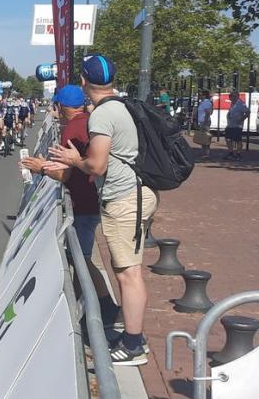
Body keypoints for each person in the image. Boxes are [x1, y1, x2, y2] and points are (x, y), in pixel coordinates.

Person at [46, 54, 157, 366]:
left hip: (124, 197)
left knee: (128, 273)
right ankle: (129, 333)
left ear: (84, 81)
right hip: (135, 193)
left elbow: (96, 164)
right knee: (127, 271)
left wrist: (72, 161)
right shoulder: (122, 106)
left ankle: (133, 344)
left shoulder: (103, 115)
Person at [21, 85, 115, 324]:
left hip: (85, 202)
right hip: (95, 197)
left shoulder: (71, 130)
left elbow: (65, 175)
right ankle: (84, 312)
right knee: (78, 258)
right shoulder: (90, 120)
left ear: (61, 107)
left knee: (81, 261)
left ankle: (105, 308)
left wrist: (40, 168)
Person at [224, 92, 249, 161]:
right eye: (230, 97)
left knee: (238, 140)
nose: (231, 98)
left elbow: (247, 112)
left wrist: (241, 118)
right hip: (230, 124)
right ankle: (231, 153)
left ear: (236, 96)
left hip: (237, 125)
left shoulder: (241, 104)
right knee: (228, 138)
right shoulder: (232, 103)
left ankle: (238, 154)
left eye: (232, 97)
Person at [193, 90, 213, 159]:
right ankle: (204, 152)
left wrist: (204, 122)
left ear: (204, 95)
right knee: (202, 138)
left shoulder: (207, 103)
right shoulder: (202, 102)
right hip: (201, 121)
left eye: (201, 95)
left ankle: (207, 153)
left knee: (206, 137)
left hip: (205, 122)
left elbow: (208, 113)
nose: (200, 96)